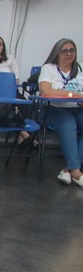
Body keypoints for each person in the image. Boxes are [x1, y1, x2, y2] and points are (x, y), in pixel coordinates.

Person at [38, 38, 83, 187]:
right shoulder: (48, 68)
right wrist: (73, 94)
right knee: (68, 122)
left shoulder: (80, 69)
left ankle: (69, 169)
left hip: (77, 108)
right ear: (57, 54)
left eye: (72, 50)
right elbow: (46, 90)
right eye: (64, 51)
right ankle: (76, 171)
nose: (69, 54)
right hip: (53, 109)